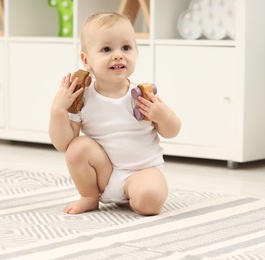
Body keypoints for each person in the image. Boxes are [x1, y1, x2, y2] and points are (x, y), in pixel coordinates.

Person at [49, 12, 181, 215]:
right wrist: (58, 110)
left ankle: (136, 194)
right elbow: (63, 144)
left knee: (150, 201)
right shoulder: (81, 98)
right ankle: (89, 196)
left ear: (136, 52)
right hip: (105, 174)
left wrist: (163, 116)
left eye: (126, 48)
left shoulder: (142, 96)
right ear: (86, 60)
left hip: (143, 171)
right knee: (76, 148)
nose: (118, 54)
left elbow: (172, 131)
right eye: (106, 49)